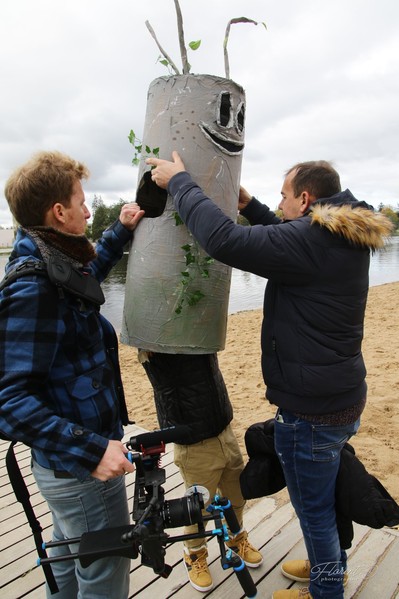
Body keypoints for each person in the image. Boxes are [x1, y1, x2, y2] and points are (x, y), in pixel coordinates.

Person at [145, 151, 393, 599]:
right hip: (340, 396)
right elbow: (286, 233)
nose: (278, 206)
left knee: (313, 509)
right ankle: (328, 569)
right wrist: (250, 204)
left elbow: (224, 241)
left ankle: (325, 589)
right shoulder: (344, 233)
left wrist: (180, 182)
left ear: (305, 198)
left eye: (282, 198)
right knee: (324, 495)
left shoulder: (314, 241)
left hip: (312, 409)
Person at [0, 151, 145, 599]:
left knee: (66, 556)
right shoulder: (33, 286)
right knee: (104, 576)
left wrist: (120, 230)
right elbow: (8, 402)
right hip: (80, 469)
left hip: (65, 468)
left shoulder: (49, 257)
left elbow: (83, 281)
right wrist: (93, 450)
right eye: (81, 202)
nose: (87, 209)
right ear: (58, 212)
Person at [140, 350, 263, 592]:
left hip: (222, 429)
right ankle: (194, 554)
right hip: (193, 442)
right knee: (197, 508)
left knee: (236, 494)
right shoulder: (156, 345)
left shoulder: (199, 332)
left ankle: (236, 537)